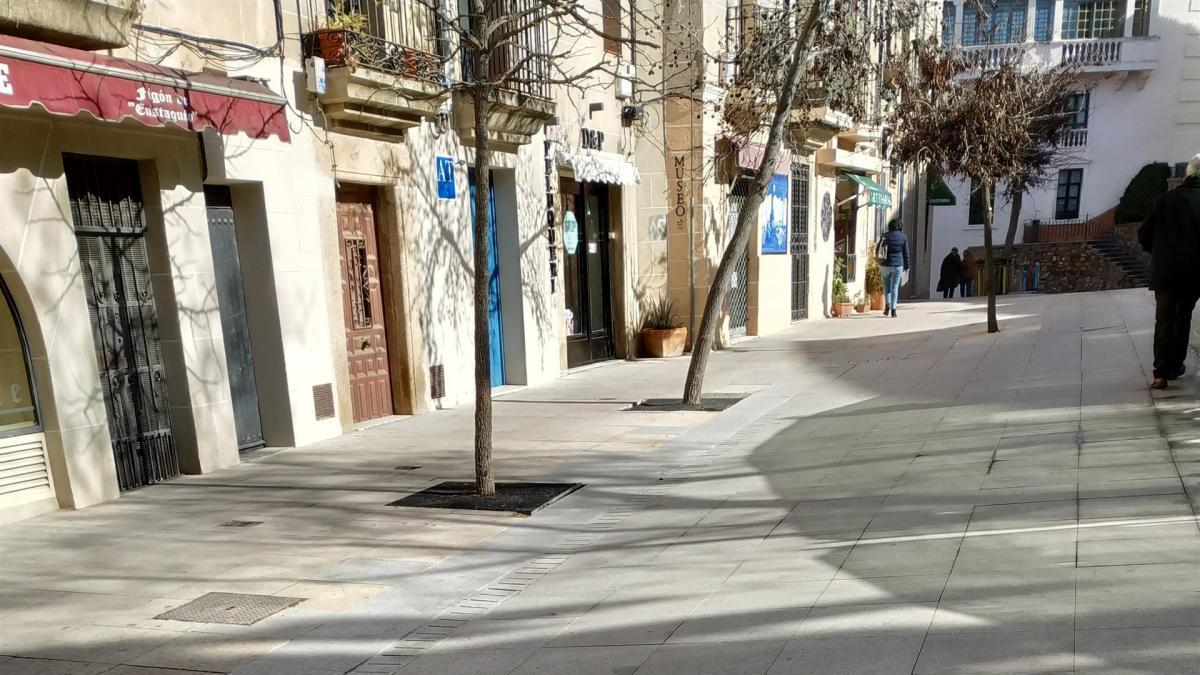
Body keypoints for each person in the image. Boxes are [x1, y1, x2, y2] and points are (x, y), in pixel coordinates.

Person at [1138, 153, 1200, 390]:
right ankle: (1175, 365)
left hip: (1165, 271)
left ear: (1188, 173)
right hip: (1194, 272)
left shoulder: (1165, 199)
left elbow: (1144, 233)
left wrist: (1158, 253)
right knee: (1183, 316)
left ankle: (1160, 373)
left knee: (1164, 319)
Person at [879, 219, 910, 318]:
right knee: (895, 287)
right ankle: (893, 310)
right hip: (898, 265)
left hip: (885, 264)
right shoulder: (903, 237)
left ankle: (887, 306)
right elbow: (906, 253)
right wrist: (907, 265)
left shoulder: (884, 235)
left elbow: (879, 249)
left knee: (886, 285)